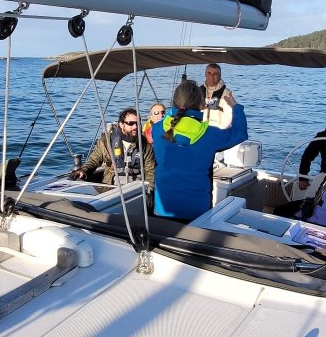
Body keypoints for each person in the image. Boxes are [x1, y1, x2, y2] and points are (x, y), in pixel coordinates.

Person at [151, 80, 248, 222]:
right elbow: (240, 133)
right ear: (200, 104)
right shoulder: (210, 134)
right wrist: (235, 106)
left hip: (162, 209)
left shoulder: (157, 128)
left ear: (174, 101)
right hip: (197, 211)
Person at [70, 107, 155, 185]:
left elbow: (150, 172)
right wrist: (83, 170)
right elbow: (93, 160)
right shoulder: (107, 142)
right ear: (121, 124)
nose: (135, 127)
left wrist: (148, 192)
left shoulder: (145, 146)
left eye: (137, 123)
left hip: (136, 189)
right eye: (131, 123)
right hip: (113, 187)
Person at [200, 63, 234, 127]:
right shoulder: (198, 91)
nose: (212, 76)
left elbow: (229, 116)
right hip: (200, 131)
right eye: (209, 73)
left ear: (220, 76)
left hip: (219, 131)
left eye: (215, 74)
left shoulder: (227, 93)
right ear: (205, 74)